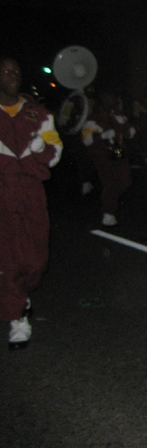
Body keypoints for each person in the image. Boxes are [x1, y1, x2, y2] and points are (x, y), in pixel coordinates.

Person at [0, 57, 63, 349]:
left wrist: (39, 152)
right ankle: (17, 317)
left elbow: (55, 148)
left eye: (17, 70)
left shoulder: (37, 113)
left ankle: (21, 296)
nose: (13, 75)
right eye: (6, 71)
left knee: (36, 261)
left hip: (31, 194)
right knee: (7, 260)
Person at [81, 89, 135, 226]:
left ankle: (108, 198)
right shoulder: (94, 117)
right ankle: (108, 212)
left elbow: (128, 131)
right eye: (110, 97)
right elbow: (87, 139)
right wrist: (101, 136)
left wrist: (126, 130)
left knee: (124, 181)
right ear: (103, 98)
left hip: (117, 150)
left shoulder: (117, 114)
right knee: (111, 183)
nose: (114, 100)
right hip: (102, 153)